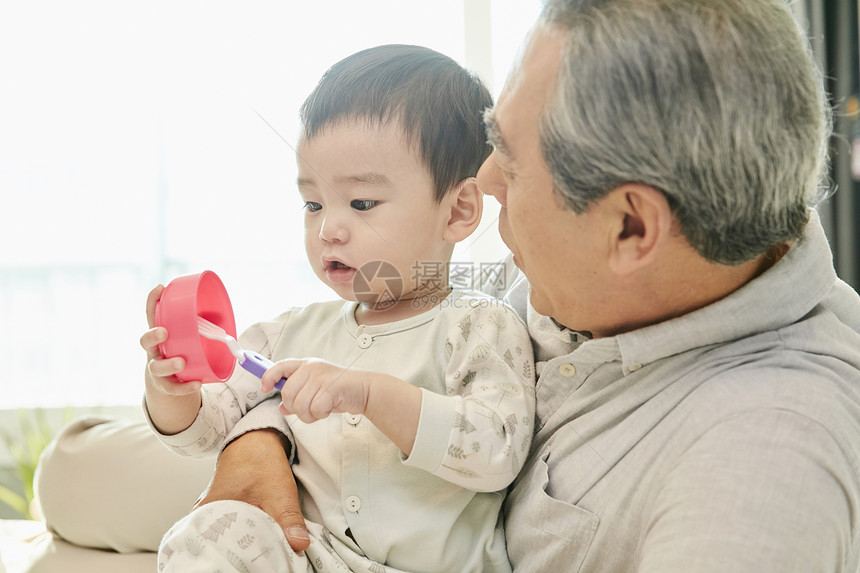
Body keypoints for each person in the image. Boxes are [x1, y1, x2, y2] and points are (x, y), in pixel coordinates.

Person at [32, 1, 860, 571]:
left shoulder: (766, 465)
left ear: (631, 229)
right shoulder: (533, 277)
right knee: (70, 474)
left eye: (512, 161)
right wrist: (260, 433)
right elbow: (84, 477)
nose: (485, 180)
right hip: (303, 517)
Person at [140, 44, 534, 572]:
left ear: (459, 210)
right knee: (204, 532)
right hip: (314, 559)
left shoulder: (479, 325)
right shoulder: (289, 334)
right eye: (313, 203)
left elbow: (498, 452)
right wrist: (172, 389)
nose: (329, 228)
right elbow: (205, 431)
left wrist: (371, 395)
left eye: (362, 203)